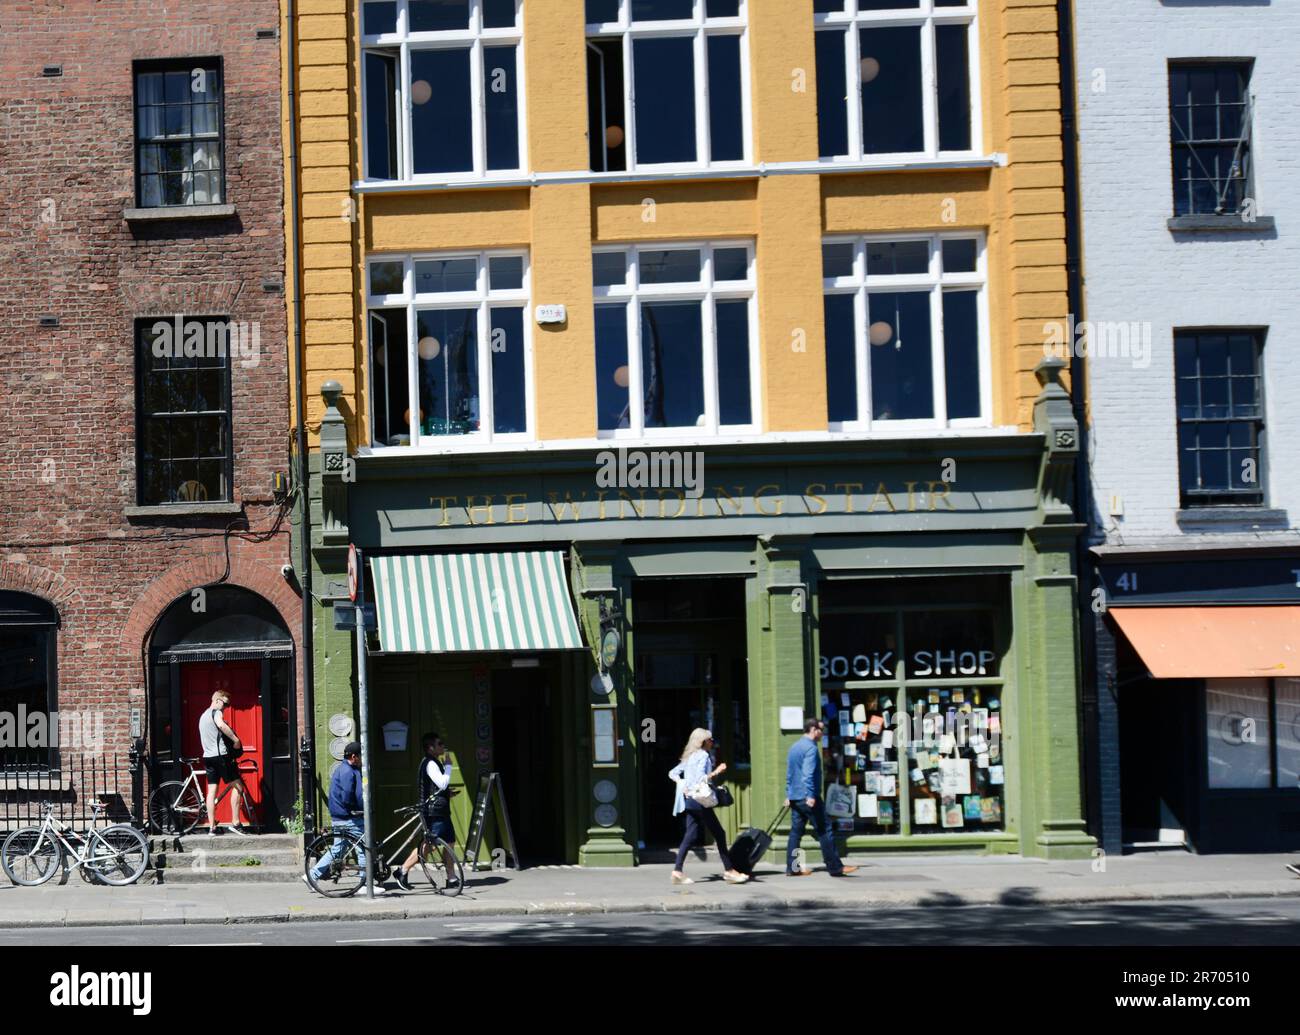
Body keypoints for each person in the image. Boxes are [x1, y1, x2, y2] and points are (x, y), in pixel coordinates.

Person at [668, 728, 749, 885]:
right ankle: (729, 871)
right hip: (700, 801)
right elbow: (701, 779)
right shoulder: (704, 756)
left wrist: (683, 785)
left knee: (690, 835)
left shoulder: (689, 756)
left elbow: (673, 773)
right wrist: (717, 771)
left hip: (690, 800)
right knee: (720, 834)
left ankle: (677, 871)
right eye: (710, 740)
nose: (713, 742)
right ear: (703, 741)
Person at [306, 742, 384, 893]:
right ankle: (365, 884)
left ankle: (312, 875)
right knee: (364, 847)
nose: (362, 759)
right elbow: (348, 795)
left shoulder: (345, 768)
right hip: (347, 816)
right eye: (361, 756)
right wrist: (356, 810)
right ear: (354, 757)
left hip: (341, 815)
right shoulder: (348, 771)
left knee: (338, 850)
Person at [785, 717, 858, 877]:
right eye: (821, 730)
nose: (822, 733)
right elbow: (808, 774)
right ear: (813, 730)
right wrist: (811, 795)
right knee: (825, 830)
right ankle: (835, 867)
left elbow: (790, 774)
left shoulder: (794, 747)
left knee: (796, 832)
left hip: (796, 797)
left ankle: (793, 868)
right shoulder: (811, 748)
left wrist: (788, 794)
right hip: (808, 797)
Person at [393, 732, 459, 891]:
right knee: (430, 845)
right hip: (433, 812)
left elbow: (436, 788)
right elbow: (442, 783)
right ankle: (402, 870)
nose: (443, 746)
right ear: (431, 748)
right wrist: (449, 765)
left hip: (440, 810)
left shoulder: (434, 762)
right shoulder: (430, 763)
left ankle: (450, 877)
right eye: (440, 743)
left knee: (449, 842)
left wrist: (447, 794)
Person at [198, 690, 251, 837]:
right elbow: (221, 725)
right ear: (217, 700)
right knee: (238, 785)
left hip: (208, 757)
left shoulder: (202, 716)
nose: (226, 707)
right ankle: (235, 822)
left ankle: (212, 828)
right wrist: (236, 740)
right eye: (225, 704)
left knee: (212, 791)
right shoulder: (215, 712)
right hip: (220, 757)